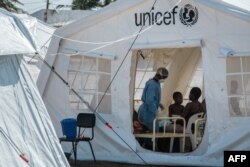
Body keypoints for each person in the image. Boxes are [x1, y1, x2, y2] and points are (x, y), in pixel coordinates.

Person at [138, 67, 168, 131]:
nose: (164, 79)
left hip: (149, 111)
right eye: (164, 78)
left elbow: (151, 97)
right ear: (160, 75)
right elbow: (149, 100)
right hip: (148, 112)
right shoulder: (152, 85)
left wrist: (159, 104)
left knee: (153, 132)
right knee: (152, 134)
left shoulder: (155, 83)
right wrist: (156, 111)